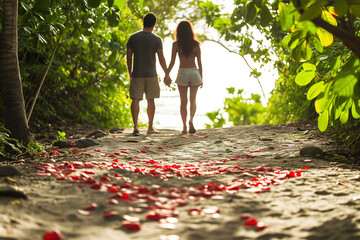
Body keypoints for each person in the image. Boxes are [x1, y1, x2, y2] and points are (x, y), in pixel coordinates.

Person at [126, 12, 171, 136]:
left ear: (143, 22)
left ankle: (136, 127)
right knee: (150, 100)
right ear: (154, 24)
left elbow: (129, 57)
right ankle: (150, 128)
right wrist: (167, 73)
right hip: (152, 74)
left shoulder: (133, 38)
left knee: (135, 99)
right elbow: (161, 59)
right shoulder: (156, 39)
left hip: (137, 74)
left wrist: (130, 73)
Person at [166, 20, 202, 134]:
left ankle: (184, 127)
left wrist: (167, 73)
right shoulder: (196, 44)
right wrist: (202, 78)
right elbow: (200, 63)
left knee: (183, 102)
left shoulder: (176, 45)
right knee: (193, 100)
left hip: (182, 72)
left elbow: (172, 62)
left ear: (179, 31)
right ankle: (191, 120)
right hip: (194, 72)